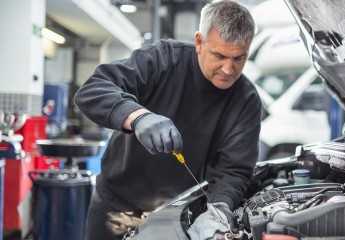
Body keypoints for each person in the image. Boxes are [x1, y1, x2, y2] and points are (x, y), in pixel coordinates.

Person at [73, 0, 260, 239]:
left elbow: (233, 170)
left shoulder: (246, 99)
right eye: (219, 55)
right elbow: (92, 90)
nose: (228, 69)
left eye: (239, 58)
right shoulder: (162, 60)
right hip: (116, 209)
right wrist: (137, 116)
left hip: (178, 216)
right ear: (199, 42)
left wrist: (220, 208)